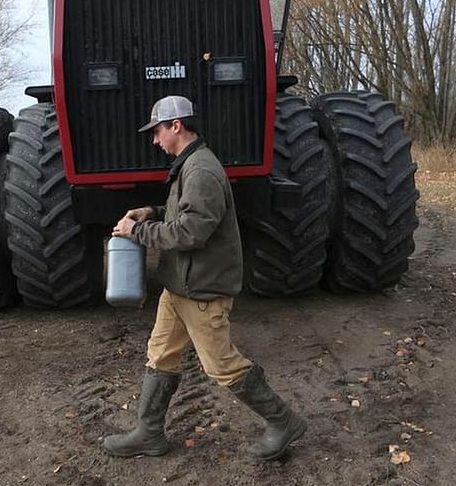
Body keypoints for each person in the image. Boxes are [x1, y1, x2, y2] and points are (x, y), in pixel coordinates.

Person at [105, 95, 307, 461]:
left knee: (221, 364)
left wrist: (137, 232)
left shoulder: (200, 170)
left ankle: (284, 421)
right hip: (179, 285)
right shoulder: (189, 165)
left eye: (157, 132)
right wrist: (149, 211)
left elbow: (190, 233)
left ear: (176, 126)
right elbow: (182, 211)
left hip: (201, 288)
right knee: (161, 354)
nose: (154, 140)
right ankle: (149, 433)